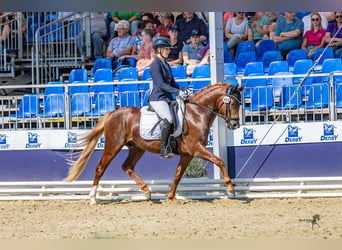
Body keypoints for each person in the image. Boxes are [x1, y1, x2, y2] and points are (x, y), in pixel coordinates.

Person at [148, 37, 189, 159]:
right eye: (166, 49)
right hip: (158, 98)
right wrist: (176, 92)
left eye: (168, 49)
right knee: (169, 119)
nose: (168, 51)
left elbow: (172, 83)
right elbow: (161, 84)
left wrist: (182, 89)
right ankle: (163, 149)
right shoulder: (155, 65)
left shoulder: (165, 63)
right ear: (159, 50)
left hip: (166, 98)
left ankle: (173, 142)